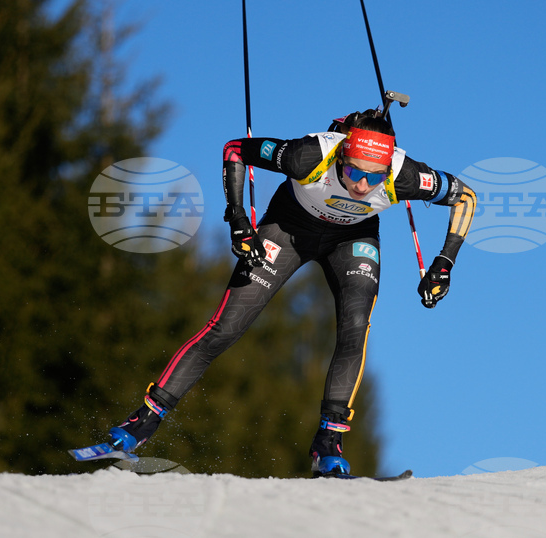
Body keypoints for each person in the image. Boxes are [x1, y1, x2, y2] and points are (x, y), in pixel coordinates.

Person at [104, 109, 477, 476]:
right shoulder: (308, 156)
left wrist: (444, 263)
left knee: (355, 328)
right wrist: (237, 218)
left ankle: (329, 444)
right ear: (342, 156)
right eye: (352, 172)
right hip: (289, 228)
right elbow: (236, 149)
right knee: (227, 327)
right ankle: (142, 422)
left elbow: (466, 197)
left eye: (373, 177)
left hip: (352, 238)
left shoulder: (406, 175)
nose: (362, 185)